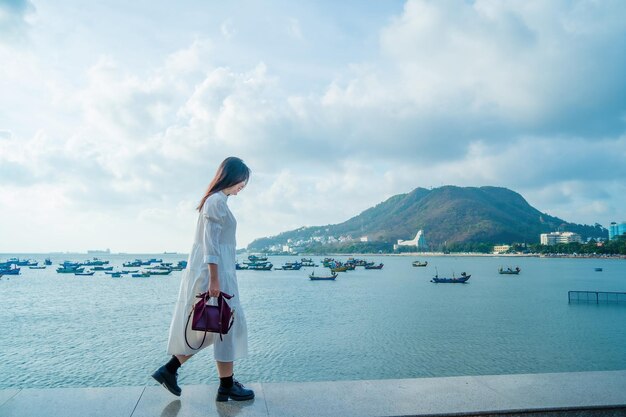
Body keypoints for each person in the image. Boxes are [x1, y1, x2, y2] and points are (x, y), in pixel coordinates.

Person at [152, 156, 254, 402]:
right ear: (232, 175)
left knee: (219, 327)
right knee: (220, 326)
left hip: (218, 273)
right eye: (242, 181)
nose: (243, 186)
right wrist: (215, 281)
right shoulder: (216, 202)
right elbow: (211, 246)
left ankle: (183, 373)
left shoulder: (218, 202)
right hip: (213, 274)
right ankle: (218, 384)